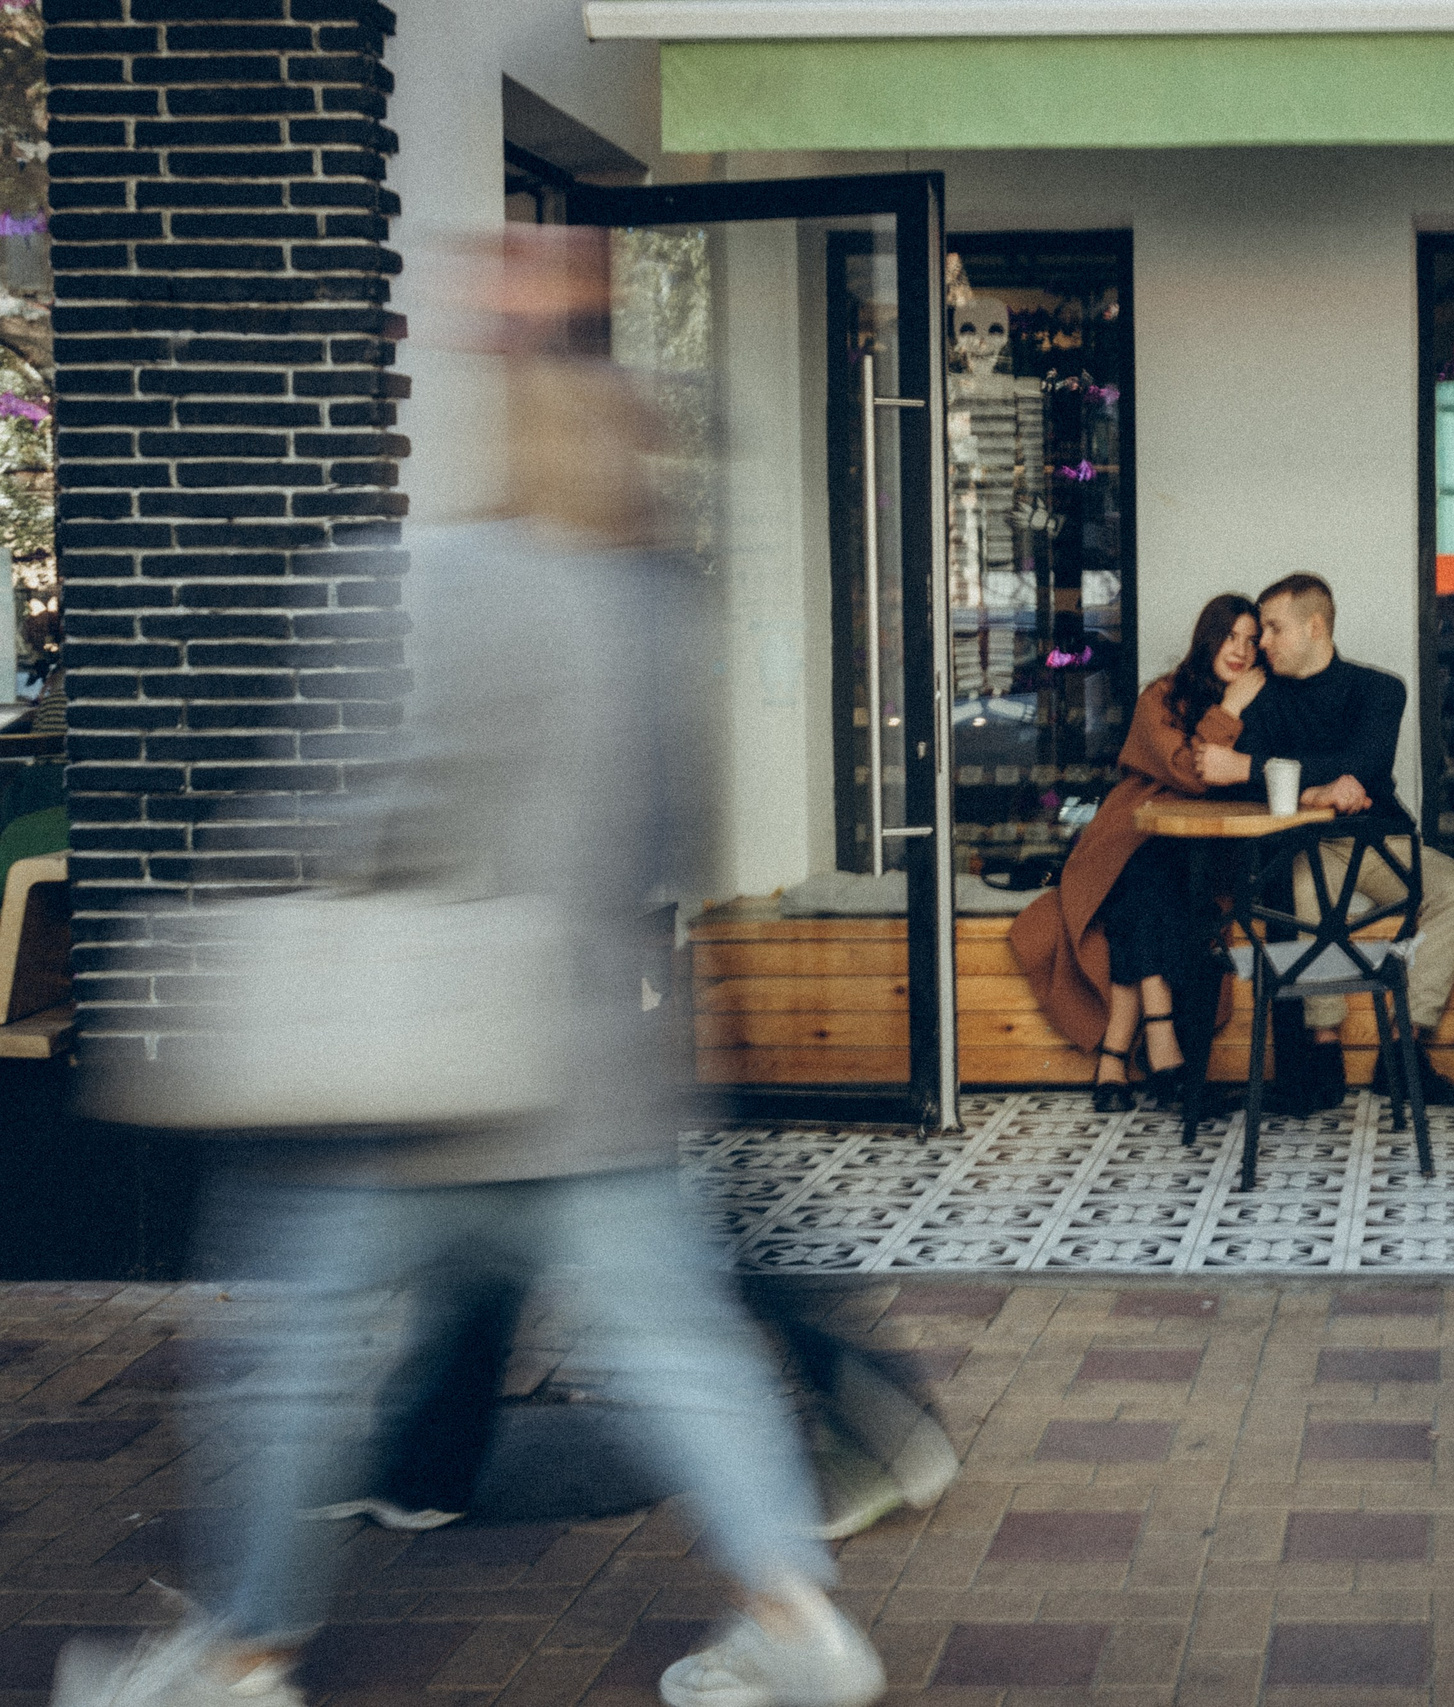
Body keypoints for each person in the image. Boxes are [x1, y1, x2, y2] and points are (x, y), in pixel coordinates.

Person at [56, 229, 885, 1707]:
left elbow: (351, 810)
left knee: (294, 1364)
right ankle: (799, 1617)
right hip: (598, 1077)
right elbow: (677, 842)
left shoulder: (417, 579)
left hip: (414, 1080)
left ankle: (239, 1649)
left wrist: (249, 875)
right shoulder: (657, 607)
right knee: (686, 1355)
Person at [1204, 573, 1454, 1109]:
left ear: (1314, 627)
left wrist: (1262, 770)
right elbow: (1245, 780)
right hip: (1303, 845)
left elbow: (1365, 767)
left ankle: (1404, 1052)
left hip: (1380, 841)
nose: (1261, 642)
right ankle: (1323, 1050)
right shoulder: (1261, 695)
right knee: (1306, 893)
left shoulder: (1380, 689)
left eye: (1273, 628)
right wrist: (1320, 786)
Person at [1011, 594, 1263, 1110]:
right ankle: (1164, 1045)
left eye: (1252, 640)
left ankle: (1114, 1057)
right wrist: (1231, 708)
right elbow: (1189, 771)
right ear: (1208, 637)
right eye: (1231, 636)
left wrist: (1244, 706)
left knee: (1148, 897)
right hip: (1127, 839)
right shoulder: (1162, 696)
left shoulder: (1265, 698)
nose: (1240, 650)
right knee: (1149, 876)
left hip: (1204, 851)